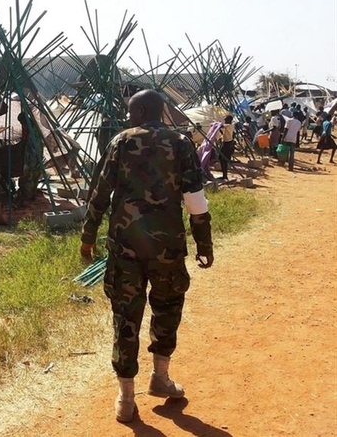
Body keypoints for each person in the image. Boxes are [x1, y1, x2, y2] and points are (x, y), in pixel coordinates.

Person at [80, 89, 214, 423]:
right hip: (167, 248)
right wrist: (204, 243)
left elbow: (99, 193)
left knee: (125, 317)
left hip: (124, 247)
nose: (127, 118)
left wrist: (88, 236)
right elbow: (195, 198)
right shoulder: (181, 143)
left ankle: (126, 400)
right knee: (167, 309)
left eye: (130, 112)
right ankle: (161, 377)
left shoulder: (120, 142)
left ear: (140, 112)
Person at [218, 115, 235, 180]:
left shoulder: (229, 125)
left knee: (223, 159)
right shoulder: (228, 126)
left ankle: (225, 175)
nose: (225, 121)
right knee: (222, 159)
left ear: (229, 120)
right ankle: (224, 175)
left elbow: (221, 125)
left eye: (226, 120)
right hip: (226, 143)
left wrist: (216, 124)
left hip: (227, 144)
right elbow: (224, 133)